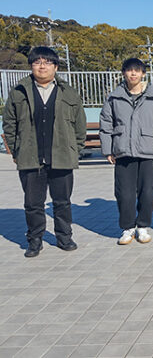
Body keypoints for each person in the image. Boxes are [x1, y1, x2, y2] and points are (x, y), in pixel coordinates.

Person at [2, 46, 86, 257]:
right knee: (33, 204)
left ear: (55, 67)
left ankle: (64, 237)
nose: (42, 66)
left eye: (47, 62)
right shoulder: (19, 91)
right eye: (37, 62)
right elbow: (9, 123)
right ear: (31, 66)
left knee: (62, 202)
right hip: (30, 157)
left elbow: (79, 125)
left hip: (61, 157)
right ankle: (35, 240)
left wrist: (74, 150)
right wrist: (16, 151)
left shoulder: (69, 92)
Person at [99, 58, 153, 245]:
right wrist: (108, 150)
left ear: (143, 73)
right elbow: (106, 124)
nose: (133, 74)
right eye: (129, 70)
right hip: (123, 151)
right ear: (123, 73)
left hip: (147, 152)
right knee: (124, 194)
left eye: (137, 70)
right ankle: (127, 228)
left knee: (147, 193)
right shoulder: (114, 98)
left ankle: (143, 226)